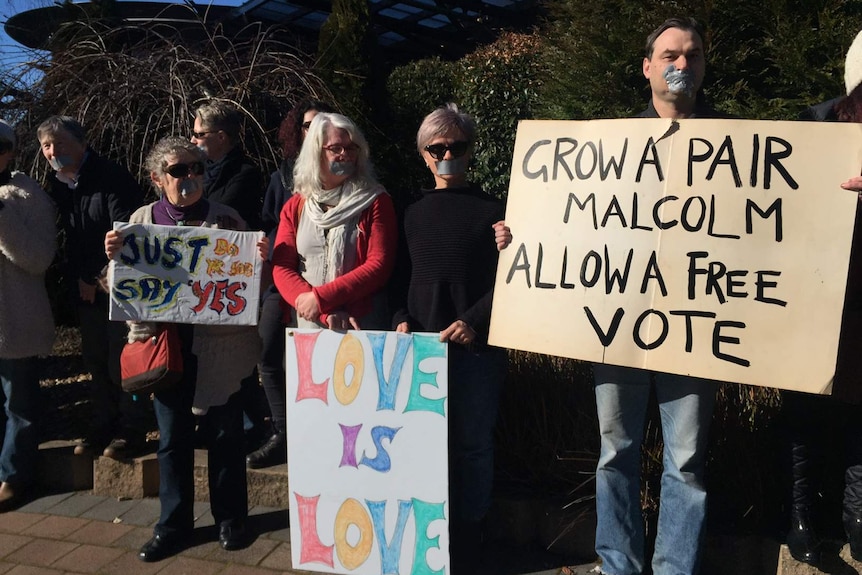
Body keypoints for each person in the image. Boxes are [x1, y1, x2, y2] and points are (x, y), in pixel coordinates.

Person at [590, 17, 720, 575]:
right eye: (670, 53)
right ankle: (617, 565)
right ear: (647, 67)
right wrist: (517, 231)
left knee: (686, 462)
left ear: (703, 65)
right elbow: (572, 225)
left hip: (695, 330)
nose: (681, 64)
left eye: (692, 54)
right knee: (614, 452)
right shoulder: (607, 145)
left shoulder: (732, 145)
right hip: (619, 327)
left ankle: (674, 569)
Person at [104, 137, 266, 561]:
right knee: (172, 440)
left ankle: (231, 519)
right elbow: (119, 288)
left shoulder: (228, 219)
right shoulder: (138, 222)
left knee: (226, 437)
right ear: (158, 178)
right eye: (179, 170)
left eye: (196, 168)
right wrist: (113, 260)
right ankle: (172, 525)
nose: (190, 177)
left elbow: (250, 285)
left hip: (220, 349)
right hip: (166, 349)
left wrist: (259, 260)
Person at [391, 103, 510, 570]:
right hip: (420, 347)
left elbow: (512, 278)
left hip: (476, 349)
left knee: (474, 444)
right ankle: (427, 536)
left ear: (470, 150)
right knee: (422, 445)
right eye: (437, 148)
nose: (447, 155)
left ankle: (469, 530)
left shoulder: (495, 211)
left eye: (456, 147)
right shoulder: (411, 211)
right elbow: (398, 274)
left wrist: (475, 320)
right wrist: (401, 316)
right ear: (423, 154)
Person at [783, 30, 862, 566]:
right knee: (806, 412)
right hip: (809, 302)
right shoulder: (811, 128)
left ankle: (859, 524)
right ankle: (801, 520)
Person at [37, 115, 148, 460]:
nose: (53, 151)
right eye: (46, 146)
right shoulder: (59, 185)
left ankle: (133, 429)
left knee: (123, 361)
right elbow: (72, 237)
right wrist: (81, 279)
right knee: (96, 360)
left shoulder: (110, 177)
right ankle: (102, 424)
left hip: (118, 285)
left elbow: (125, 233)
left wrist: (96, 278)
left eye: (60, 143)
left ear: (82, 143)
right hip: (86, 288)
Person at [248, 99, 334, 469]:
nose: (314, 130)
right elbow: (269, 221)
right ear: (295, 131)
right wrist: (267, 243)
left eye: (322, 124)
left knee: (320, 363)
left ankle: (321, 436)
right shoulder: (281, 177)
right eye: (307, 125)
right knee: (267, 353)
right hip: (282, 284)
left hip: (322, 287)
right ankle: (284, 433)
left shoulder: (341, 176)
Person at [271, 112, 397, 332]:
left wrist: (320, 298)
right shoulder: (296, 206)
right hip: (307, 324)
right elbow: (282, 268)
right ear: (315, 152)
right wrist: (322, 311)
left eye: (351, 148)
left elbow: (378, 265)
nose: (345, 155)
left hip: (360, 325)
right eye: (335, 148)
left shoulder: (375, 201)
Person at [190, 100, 269, 450]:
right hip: (205, 276)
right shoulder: (200, 172)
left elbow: (220, 215)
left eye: (199, 134)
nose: (193, 141)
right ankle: (209, 420)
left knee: (237, 354)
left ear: (221, 137)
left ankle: (252, 421)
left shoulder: (245, 174)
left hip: (233, 276)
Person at [0, 119, 56, 512]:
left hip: (13, 320)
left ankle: (14, 476)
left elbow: (39, 259)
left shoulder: (26, 193)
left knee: (18, 403)